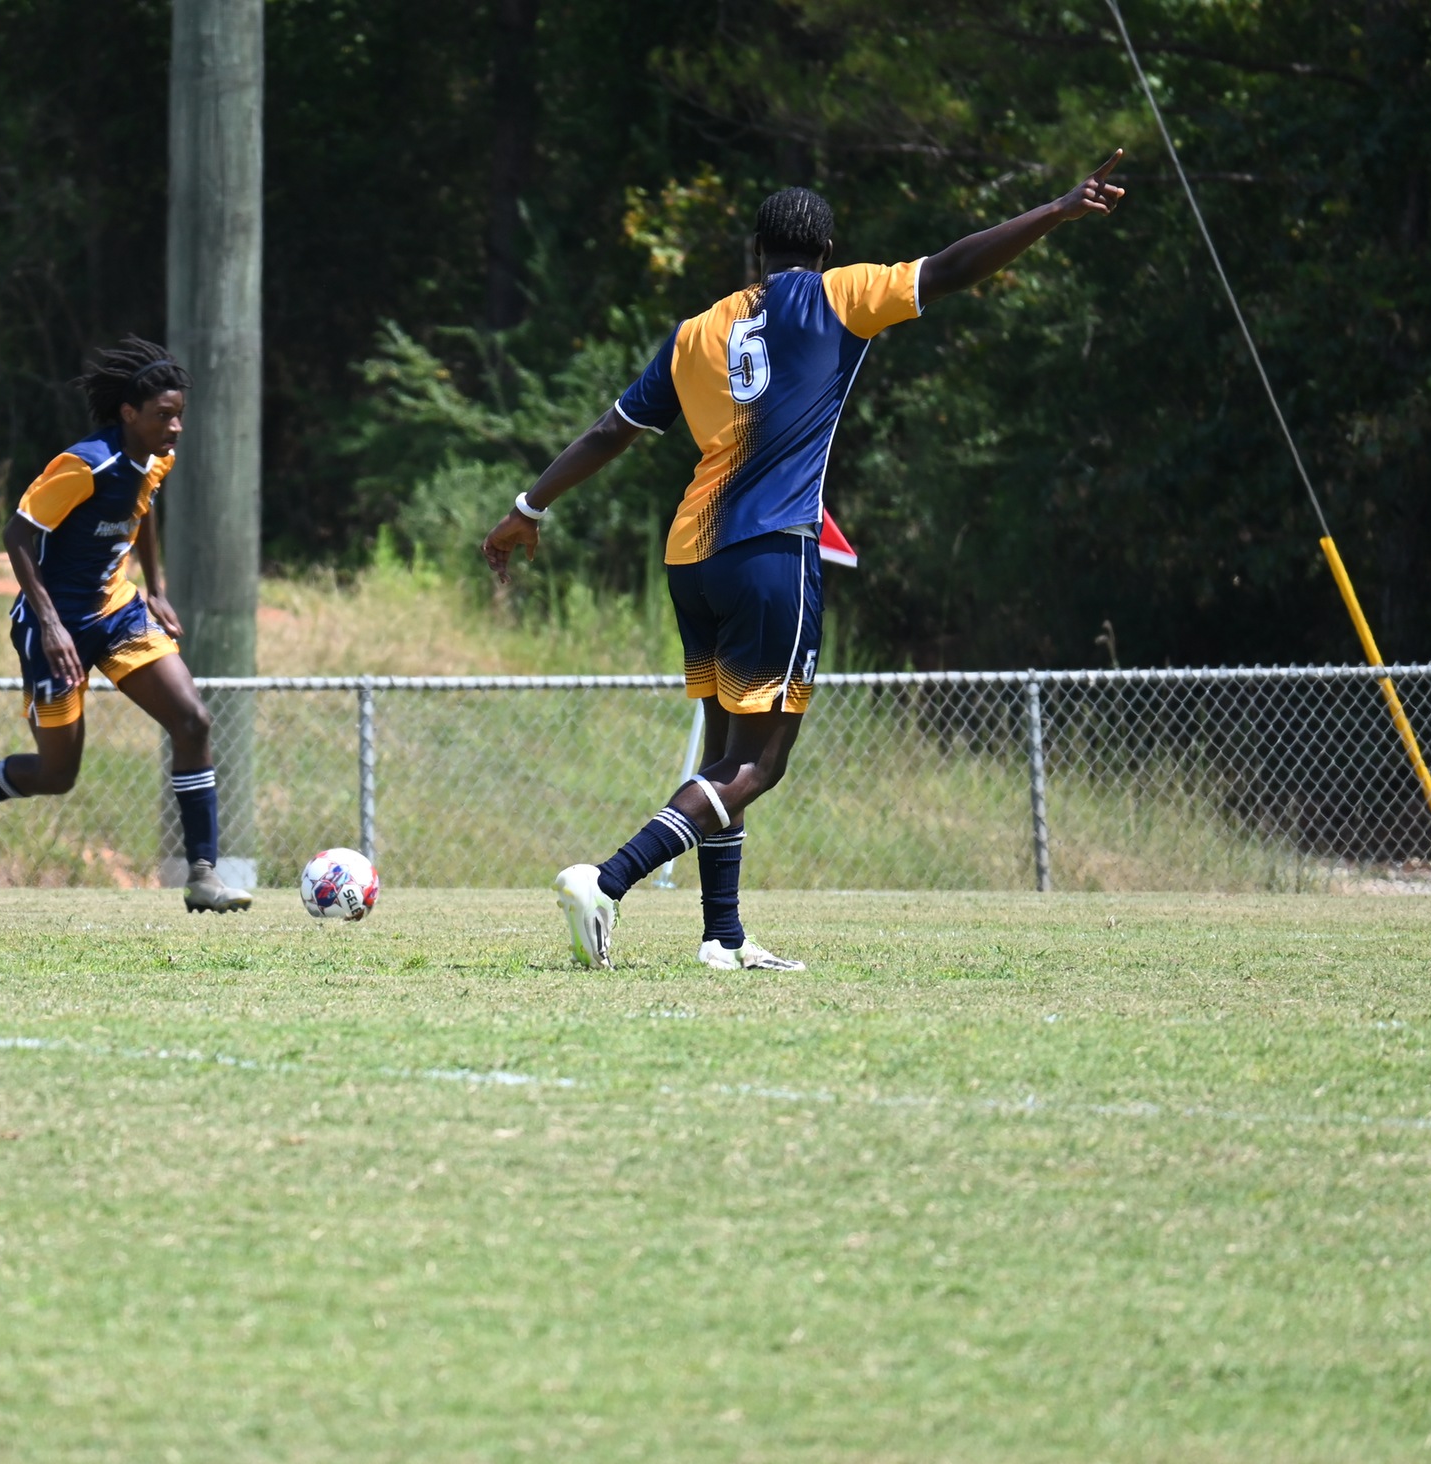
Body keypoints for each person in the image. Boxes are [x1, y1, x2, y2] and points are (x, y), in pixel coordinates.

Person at [482, 154, 1127, 969]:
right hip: (771, 549)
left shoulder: (696, 332)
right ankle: (607, 879)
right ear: (823, 248)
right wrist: (1054, 211)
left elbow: (611, 431)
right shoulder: (838, 295)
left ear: (756, 251)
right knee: (757, 763)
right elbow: (955, 265)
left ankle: (722, 935)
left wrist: (526, 509)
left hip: (692, 554)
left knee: (722, 749)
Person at [0, 336, 252, 913]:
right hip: (54, 631)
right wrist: (50, 625)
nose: (175, 428)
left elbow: (141, 509)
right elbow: (16, 535)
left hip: (118, 612)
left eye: (179, 416)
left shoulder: (156, 458)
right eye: (163, 416)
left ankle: (204, 874)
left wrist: (156, 589)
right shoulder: (83, 464)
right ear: (129, 414)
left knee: (193, 720)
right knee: (58, 774)